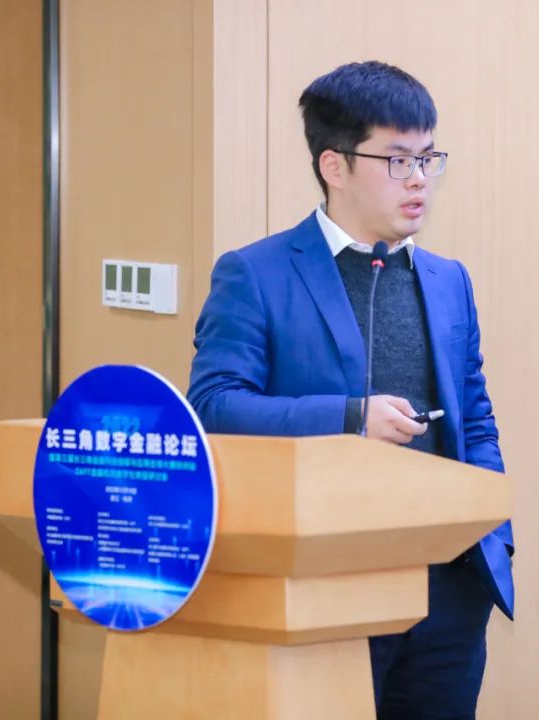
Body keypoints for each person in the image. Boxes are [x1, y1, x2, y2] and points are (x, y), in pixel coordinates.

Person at [187, 60, 513, 720]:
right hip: (326, 585)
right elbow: (214, 406)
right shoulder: (256, 274)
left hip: (448, 592)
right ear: (334, 166)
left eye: (428, 158)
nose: (419, 179)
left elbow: (475, 420)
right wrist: (348, 418)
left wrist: (494, 537)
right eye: (397, 160)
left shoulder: (449, 280)